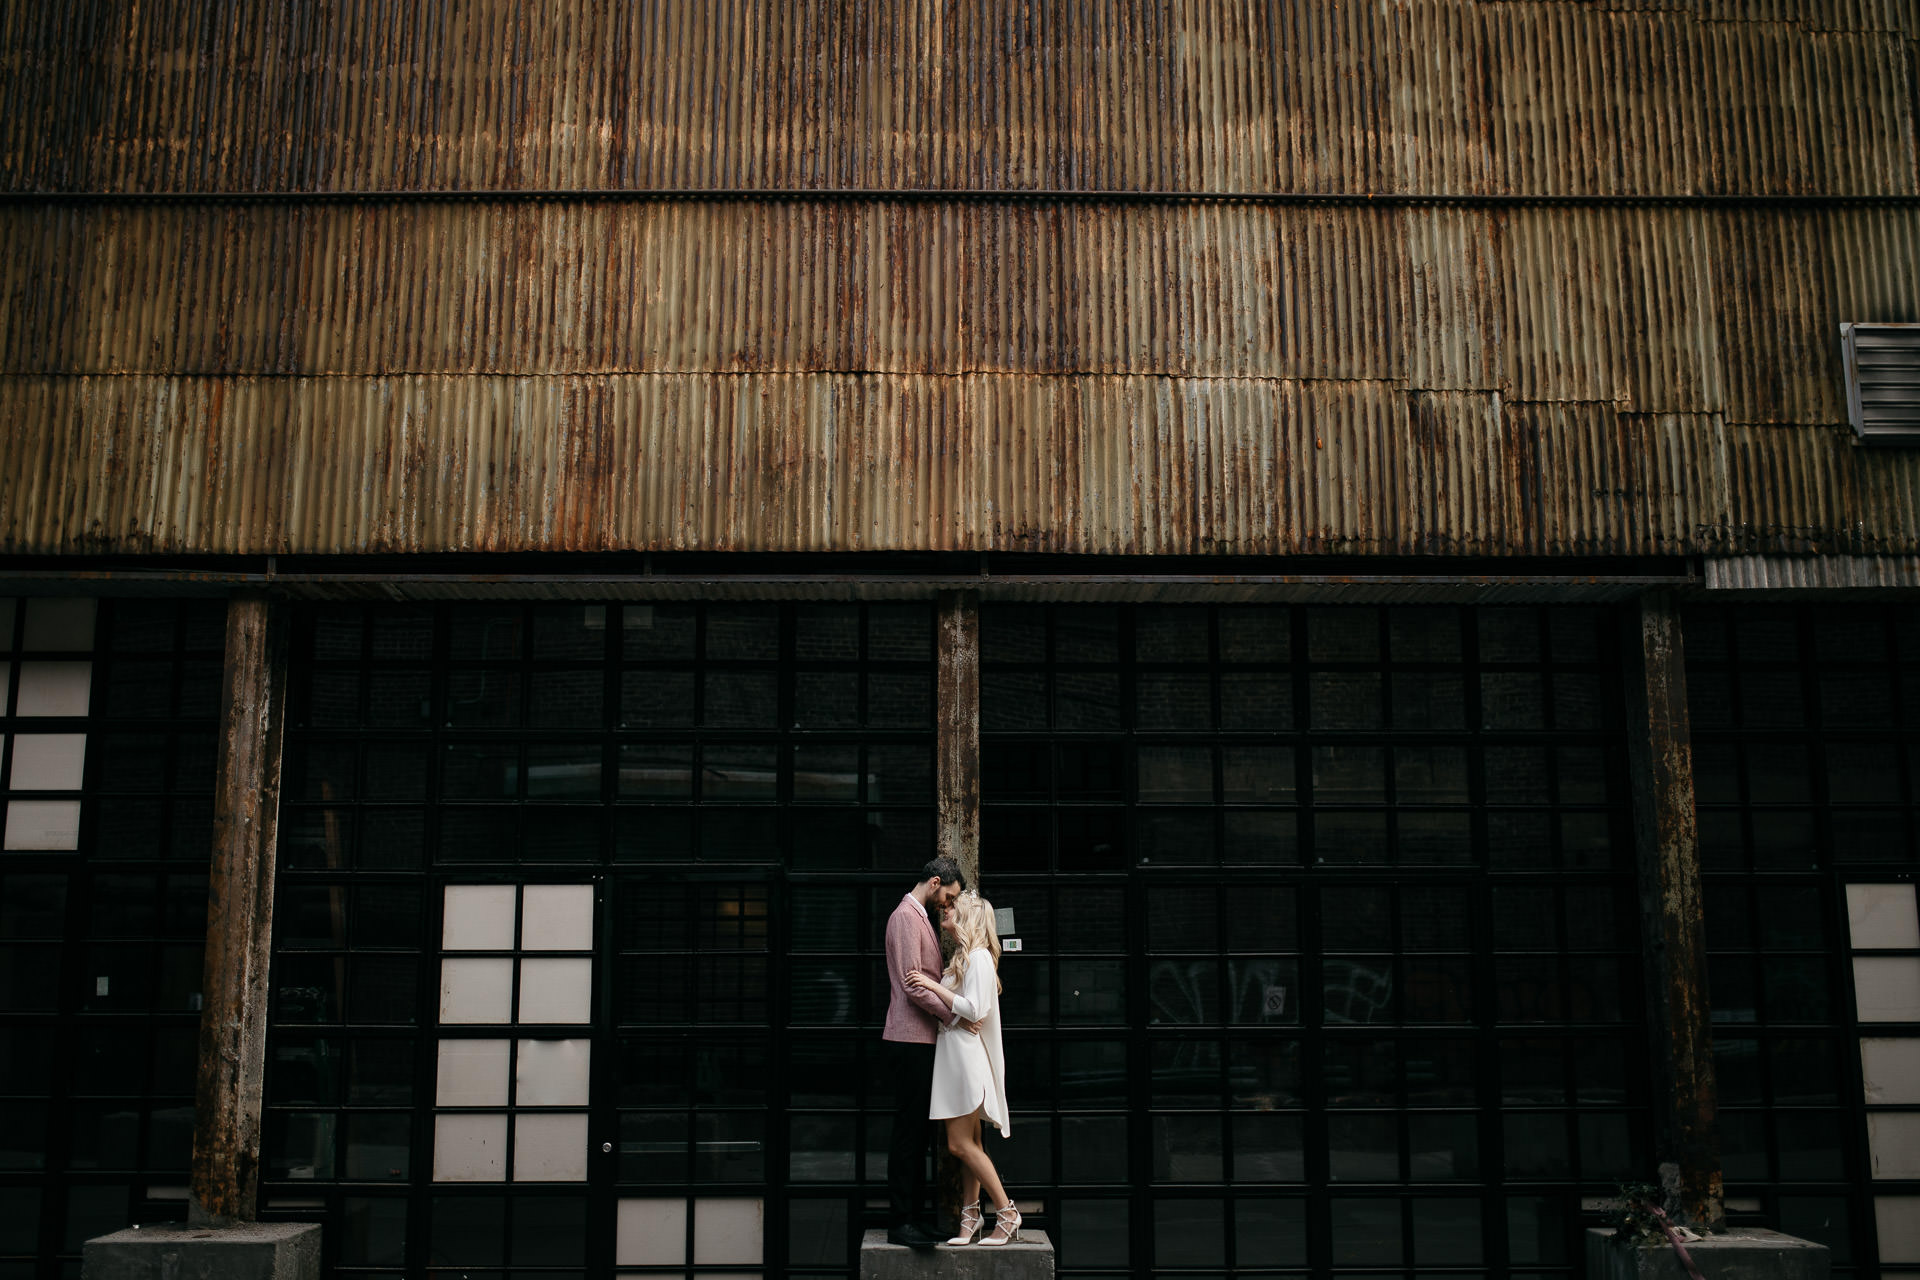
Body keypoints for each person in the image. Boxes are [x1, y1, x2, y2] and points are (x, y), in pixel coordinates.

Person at [907, 890, 1021, 1247]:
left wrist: (930, 985)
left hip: (965, 1061)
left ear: (967, 917)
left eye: (953, 907)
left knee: (958, 1145)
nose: (947, 909)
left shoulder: (979, 958)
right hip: (955, 1058)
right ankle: (970, 1217)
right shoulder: (965, 957)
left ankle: (1007, 1213)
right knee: (970, 1143)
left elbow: (974, 1010)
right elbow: (963, 1012)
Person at [881, 856, 965, 1249]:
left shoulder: (920, 917)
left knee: (917, 1133)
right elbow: (913, 984)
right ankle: (901, 1221)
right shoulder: (905, 917)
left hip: (921, 1039)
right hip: (909, 1039)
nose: (949, 904)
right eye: (949, 896)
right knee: (908, 1132)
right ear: (935, 882)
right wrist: (953, 1015)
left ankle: (914, 1218)